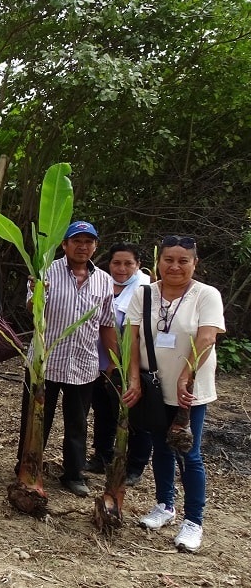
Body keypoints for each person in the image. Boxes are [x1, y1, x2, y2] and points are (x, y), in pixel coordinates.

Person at [129, 235, 225, 552]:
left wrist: (186, 375)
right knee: (161, 448)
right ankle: (164, 505)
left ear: (195, 264)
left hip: (189, 392)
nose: (175, 266)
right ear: (158, 262)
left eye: (183, 260)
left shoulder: (206, 295)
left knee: (189, 454)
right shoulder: (144, 294)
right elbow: (132, 340)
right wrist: (134, 379)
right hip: (156, 389)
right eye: (169, 259)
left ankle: (193, 521)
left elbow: (207, 337)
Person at [16, 221, 118, 497]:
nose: (83, 246)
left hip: (84, 363)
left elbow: (107, 324)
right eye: (77, 241)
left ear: (96, 246)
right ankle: (26, 467)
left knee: (77, 422)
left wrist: (112, 363)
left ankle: (73, 473)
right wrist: (37, 292)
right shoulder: (46, 271)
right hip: (44, 362)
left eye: (89, 242)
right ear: (65, 245)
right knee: (36, 418)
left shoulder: (105, 281)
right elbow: (30, 307)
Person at [86, 243, 152, 483]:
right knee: (103, 411)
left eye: (128, 264)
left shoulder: (145, 290)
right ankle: (101, 456)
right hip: (98, 361)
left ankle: (134, 466)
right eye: (116, 263)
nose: (121, 268)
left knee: (133, 416)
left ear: (138, 265)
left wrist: (121, 361)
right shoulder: (102, 283)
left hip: (127, 364)